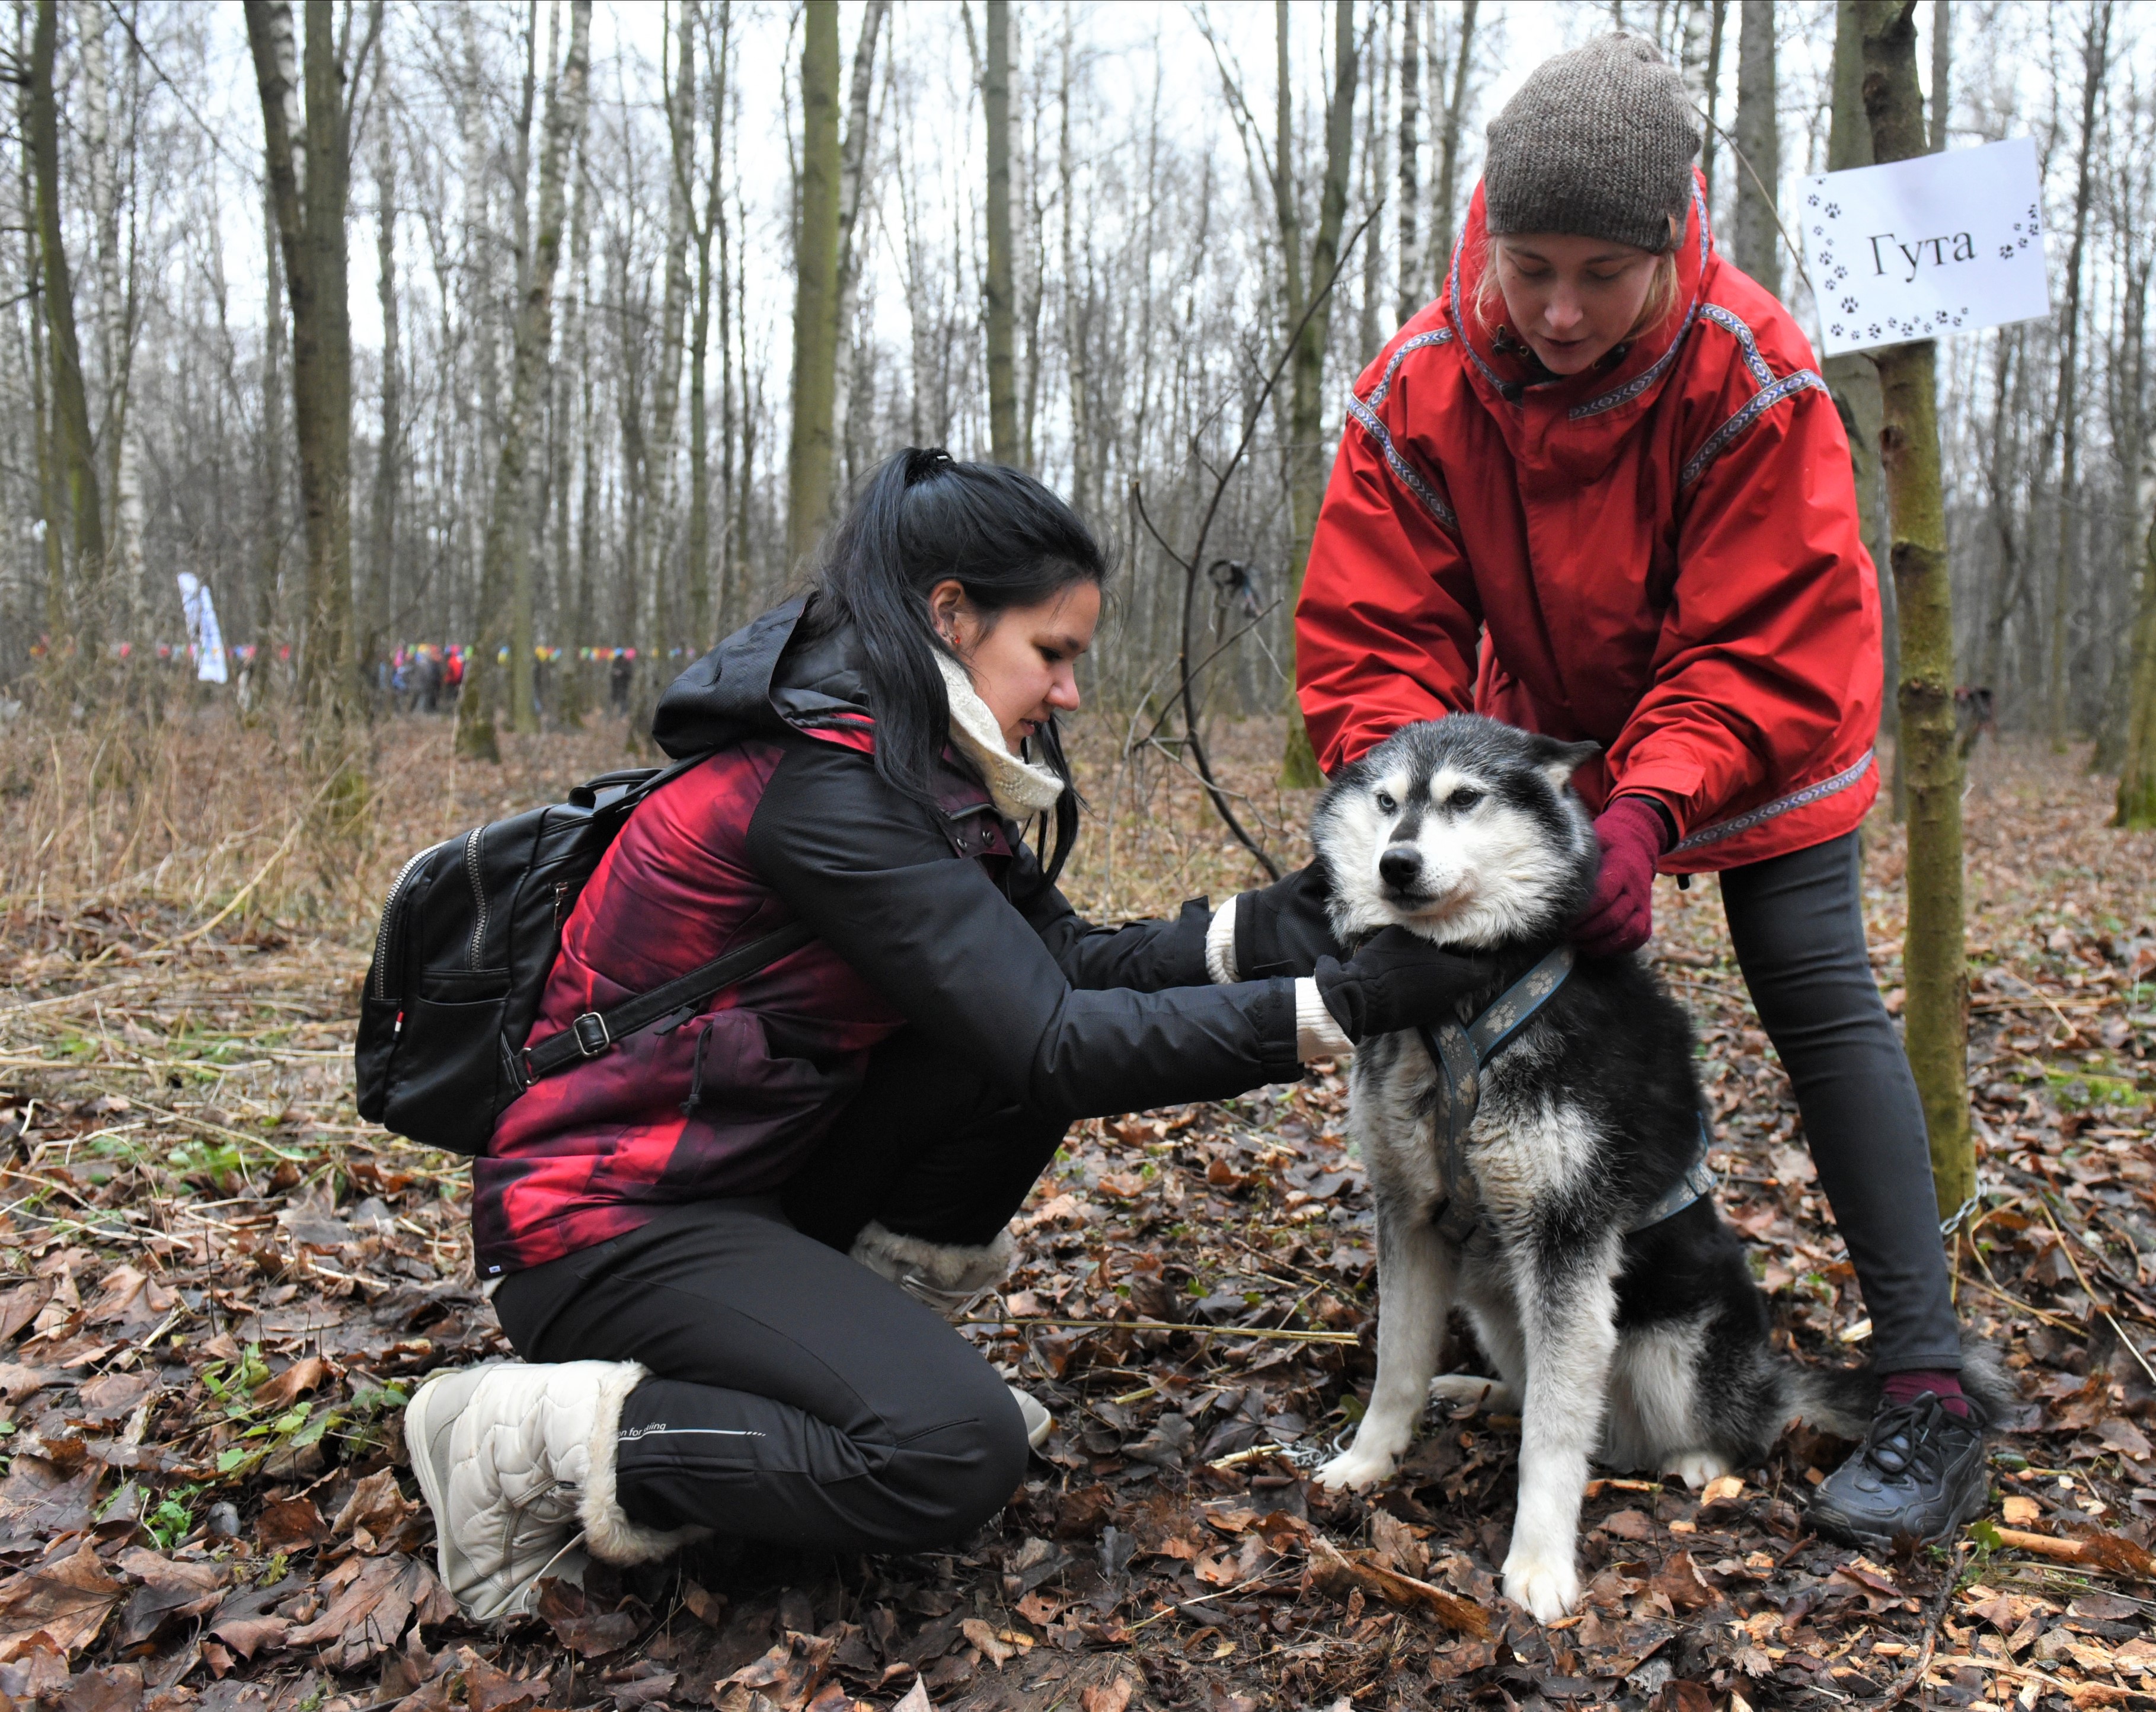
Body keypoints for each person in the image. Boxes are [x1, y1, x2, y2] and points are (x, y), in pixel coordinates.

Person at [403, 449, 1490, 1621]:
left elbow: (1055, 966)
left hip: (741, 1184)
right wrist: (1345, 1008)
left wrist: (1274, 926)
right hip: (599, 1225)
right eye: (1053, 653)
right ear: (952, 615)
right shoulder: (825, 788)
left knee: (990, 1074)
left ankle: (844, 1375)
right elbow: (1055, 1040)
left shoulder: (911, 756)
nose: (1068, 692)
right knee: (948, 1453)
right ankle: (508, 1439)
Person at [1293, 34, 1992, 1548]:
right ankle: (1506, 1284)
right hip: (1533, 744)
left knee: (1816, 989)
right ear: (1488, 234)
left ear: (1671, 243)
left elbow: (1757, 640)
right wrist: (1424, 804)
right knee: (1465, 994)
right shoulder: (1423, 381)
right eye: (1530, 267)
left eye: (1603, 275)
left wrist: (1648, 807)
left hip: (1756, 727)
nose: (1558, 310)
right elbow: (1375, 637)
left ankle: (1928, 1380)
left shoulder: (1754, 371)